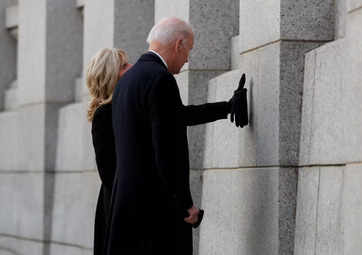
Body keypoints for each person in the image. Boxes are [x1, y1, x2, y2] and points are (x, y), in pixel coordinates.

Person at [106, 17, 247, 254]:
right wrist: (184, 205)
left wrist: (226, 107)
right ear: (178, 44)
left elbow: (175, 117)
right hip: (156, 213)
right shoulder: (161, 79)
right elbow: (167, 150)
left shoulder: (127, 81)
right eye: (188, 50)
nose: (188, 59)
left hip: (127, 209)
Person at [86, 48, 132, 255]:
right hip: (118, 206)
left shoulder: (125, 104)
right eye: (123, 66)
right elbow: (108, 172)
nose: (131, 68)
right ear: (110, 76)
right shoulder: (104, 114)